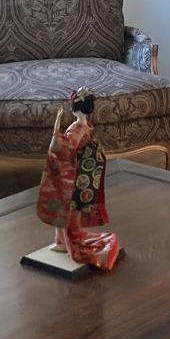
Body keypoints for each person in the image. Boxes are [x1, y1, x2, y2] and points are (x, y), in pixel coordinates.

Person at [36, 87, 121, 271]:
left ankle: (67, 241)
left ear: (74, 108)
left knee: (67, 208)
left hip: (72, 173)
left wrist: (56, 132)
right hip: (81, 171)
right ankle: (60, 241)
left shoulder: (76, 129)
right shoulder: (87, 126)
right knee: (67, 209)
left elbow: (66, 148)